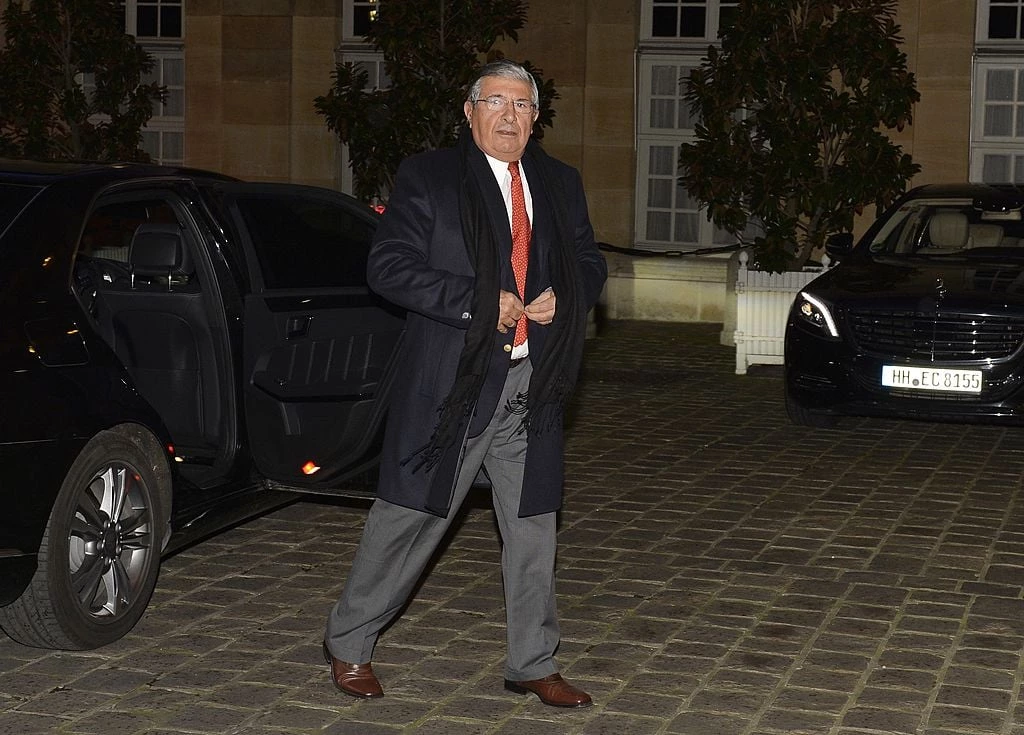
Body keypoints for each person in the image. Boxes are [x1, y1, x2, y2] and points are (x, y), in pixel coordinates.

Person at [323, 59, 608, 708]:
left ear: (536, 118)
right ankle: (350, 641)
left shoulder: (561, 182)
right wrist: (480, 301)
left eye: (523, 106)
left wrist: (567, 295)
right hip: (453, 385)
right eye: (497, 103)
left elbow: (589, 259)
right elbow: (389, 267)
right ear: (469, 110)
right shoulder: (431, 176)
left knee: (535, 524)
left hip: (535, 382)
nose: (510, 116)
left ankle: (533, 660)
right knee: (411, 517)